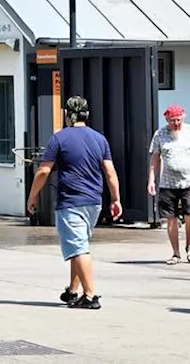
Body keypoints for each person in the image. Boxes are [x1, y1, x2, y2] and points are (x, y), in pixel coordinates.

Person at [27, 96, 122, 310]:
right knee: (79, 245)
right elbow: (110, 172)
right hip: (94, 202)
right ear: (87, 114)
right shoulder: (100, 139)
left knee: (78, 248)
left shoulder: (59, 138)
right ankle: (72, 291)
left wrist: (32, 197)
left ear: (67, 114)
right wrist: (116, 199)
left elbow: (43, 171)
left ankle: (90, 295)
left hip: (71, 201)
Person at [147, 104, 190, 264]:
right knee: (171, 218)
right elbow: (155, 158)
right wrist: (151, 179)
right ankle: (175, 253)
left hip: (189, 181)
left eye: (179, 120)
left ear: (183, 118)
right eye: (172, 121)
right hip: (167, 183)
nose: (176, 123)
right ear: (167, 120)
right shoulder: (160, 134)